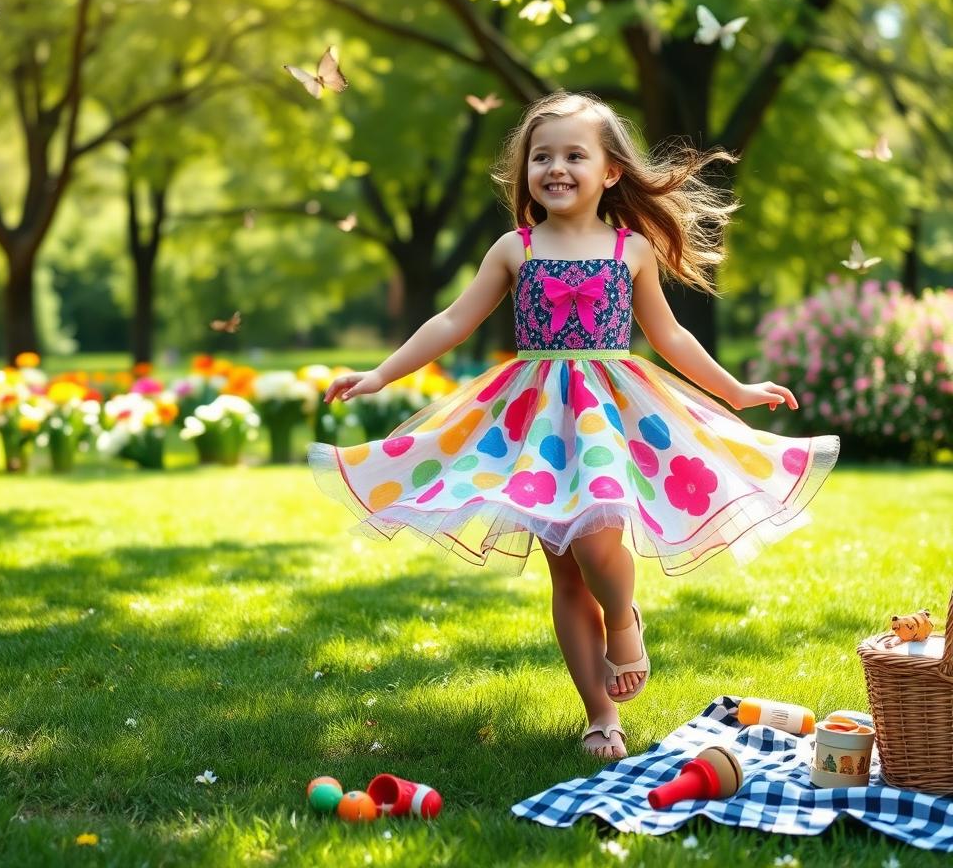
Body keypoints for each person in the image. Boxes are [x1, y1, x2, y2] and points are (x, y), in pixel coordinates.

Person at [308, 91, 839, 763]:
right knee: (564, 576)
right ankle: (600, 715)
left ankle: (623, 616)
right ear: (525, 171)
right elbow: (451, 321)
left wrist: (733, 389)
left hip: (609, 418)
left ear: (611, 171)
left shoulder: (633, 249)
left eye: (573, 155)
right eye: (541, 157)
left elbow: (668, 335)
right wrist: (381, 374)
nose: (555, 168)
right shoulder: (515, 248)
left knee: (597, 545)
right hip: (536, 424)